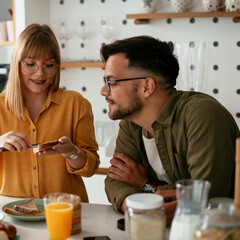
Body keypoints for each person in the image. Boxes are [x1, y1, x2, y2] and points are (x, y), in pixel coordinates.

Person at [100, 35, 240, 224]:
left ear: (147, 86)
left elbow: (204, 199)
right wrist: (135, 205)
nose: (103, 91)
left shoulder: (202, 115)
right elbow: (115, 181)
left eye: (112, 82)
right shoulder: (130, 122)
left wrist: (146, 186)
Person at [0, 24, 99, 202]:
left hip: (64, 212)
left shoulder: (76, 104)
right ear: (16, 64)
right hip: (11, 216)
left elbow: (91, 167)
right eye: (30, 64)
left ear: (56, 67)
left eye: (48, 65)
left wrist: (71, 152)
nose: (40, 73)